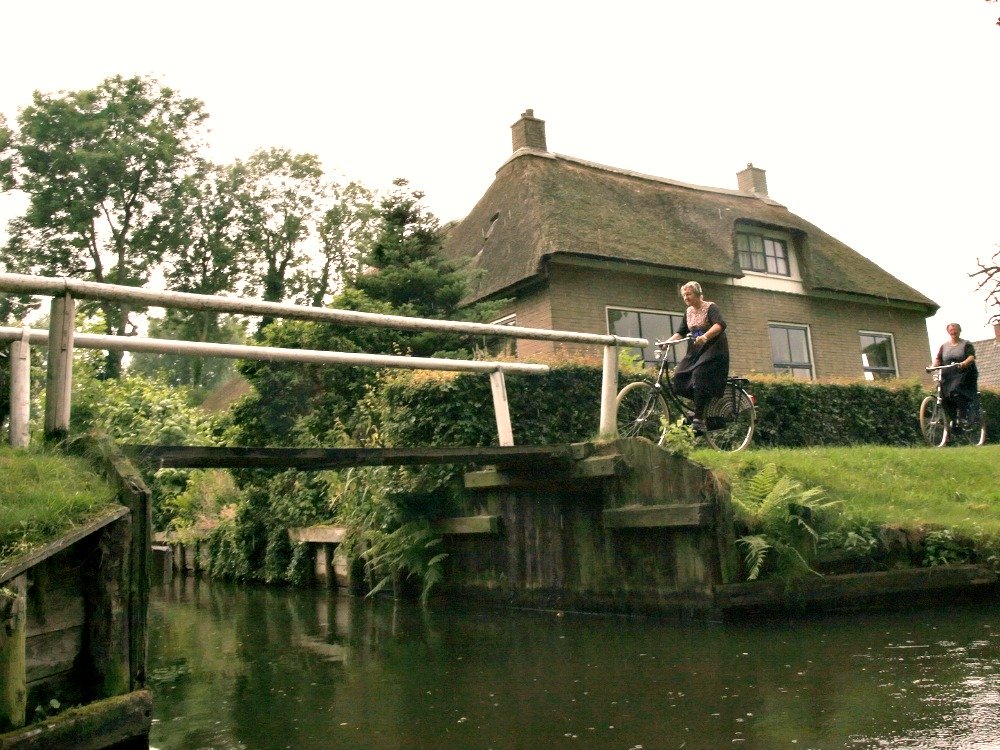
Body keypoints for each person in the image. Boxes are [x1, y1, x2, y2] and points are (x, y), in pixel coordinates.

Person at [666, 281, 730, 432]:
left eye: (688, 294)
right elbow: (680, 332)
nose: (686, 298)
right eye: (684, 295)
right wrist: (667, 343)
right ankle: (701, 406)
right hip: (696, 351)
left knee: (699, 375)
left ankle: (699, 418)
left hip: (714, 350)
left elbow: (720, 325)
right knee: (679, 378)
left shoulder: (710, 307)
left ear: (698, 294)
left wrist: (706, 336)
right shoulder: (688, 312)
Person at [933, 322, 978, 426]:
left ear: (959, 331)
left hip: (964, 373)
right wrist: (932, 367)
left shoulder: (966, 344)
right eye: (951, 331)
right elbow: (938, 359)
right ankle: (951, 418)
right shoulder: (944, 346)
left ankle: (963, 416)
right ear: (948, 332)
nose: (953, 332)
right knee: (942, 393)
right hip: (948, 374)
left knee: (956, 390)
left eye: (955, 330)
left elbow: (971, 357)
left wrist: (964, 363)